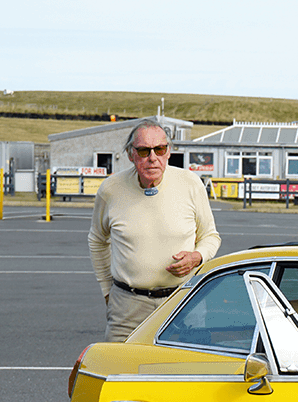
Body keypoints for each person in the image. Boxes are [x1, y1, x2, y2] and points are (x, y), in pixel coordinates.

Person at [88, 120, 222, 342]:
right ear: (131, 155)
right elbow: (97, 240)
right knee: (121, 373)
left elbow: (210, 236)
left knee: (186, 373)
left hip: (184, 301)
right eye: (143, 150)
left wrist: (197, 257)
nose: (153, 157)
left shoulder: (191, 184)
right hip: (128, 306)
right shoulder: (110, 190)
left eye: (159, 149)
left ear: (168, 152)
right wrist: (106, 290)